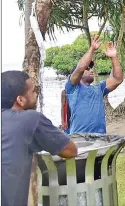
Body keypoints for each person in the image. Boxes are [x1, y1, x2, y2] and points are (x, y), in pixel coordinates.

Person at [1, 71, 78, 206]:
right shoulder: (30, 119)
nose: (37, 94)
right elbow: (70, 150)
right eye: (33, 91)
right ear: (20, 100)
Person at [65, 36, 123, 134]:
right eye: (87, 68)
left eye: (91, 68)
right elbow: (80, 67)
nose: (91, 70)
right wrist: (92, 48)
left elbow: (118, 79)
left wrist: (114, 57)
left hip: (100, 138)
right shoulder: (72, 87)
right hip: (79, 138)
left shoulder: (99, 88)